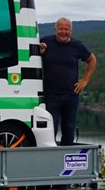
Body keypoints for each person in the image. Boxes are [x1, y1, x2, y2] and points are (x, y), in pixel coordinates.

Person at [38, 17, 97, 145]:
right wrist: (39, 52)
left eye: (66, 29)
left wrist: (85, 80)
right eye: (61, 29)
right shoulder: (45, 42)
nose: (63, 32)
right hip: (51, 96)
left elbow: (92, 60)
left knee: (69, 131)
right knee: (49, 132)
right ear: (55, 29)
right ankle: (49, 160)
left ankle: (65, 161)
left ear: (71, 31)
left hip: (71, 96)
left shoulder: (77, 46)